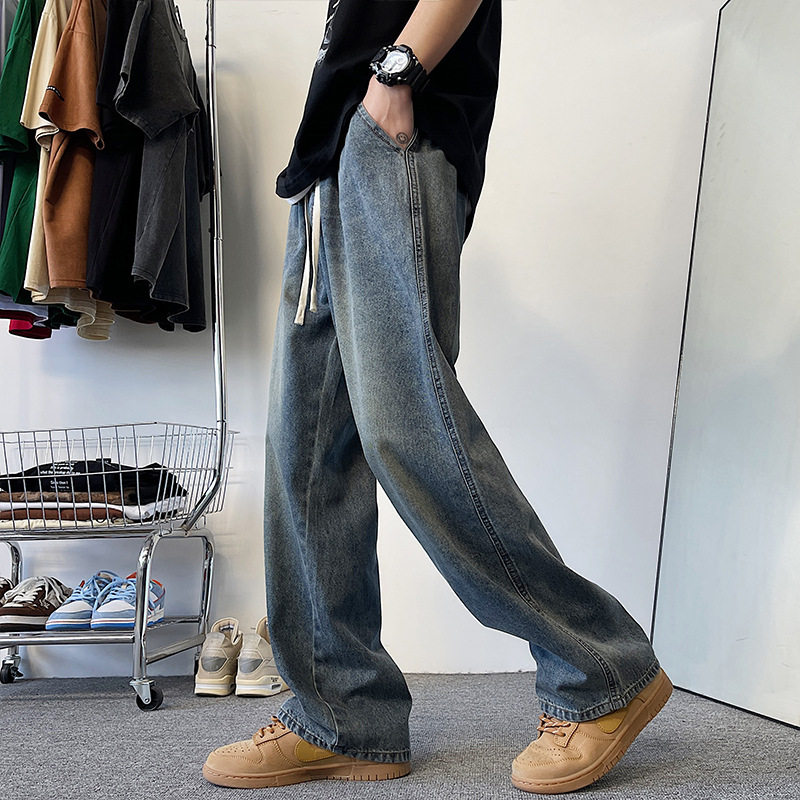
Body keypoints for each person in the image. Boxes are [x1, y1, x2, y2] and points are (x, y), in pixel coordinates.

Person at [202, 0, 672, 793]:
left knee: (408, 430)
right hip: (328, 161)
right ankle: (342, 716)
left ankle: (602, 668)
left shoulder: (396, 93)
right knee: (307, 450)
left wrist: (398, 72)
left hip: (391, 133)